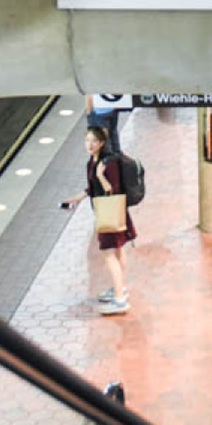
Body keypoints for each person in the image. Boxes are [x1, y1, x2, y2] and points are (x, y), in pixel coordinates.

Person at [60, 125, 134, 315]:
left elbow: (112, 189)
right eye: (87, 140)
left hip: (111, 213)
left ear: (101, 143)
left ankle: (120, 300)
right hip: (107, 213)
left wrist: (101, 175)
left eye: (94, 141)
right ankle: (120, 289)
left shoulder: (107, 163)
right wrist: (75, 199)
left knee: (109, 255)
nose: (90, 144)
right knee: (117, 252)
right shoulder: (91, 162)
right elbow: (91, 188)